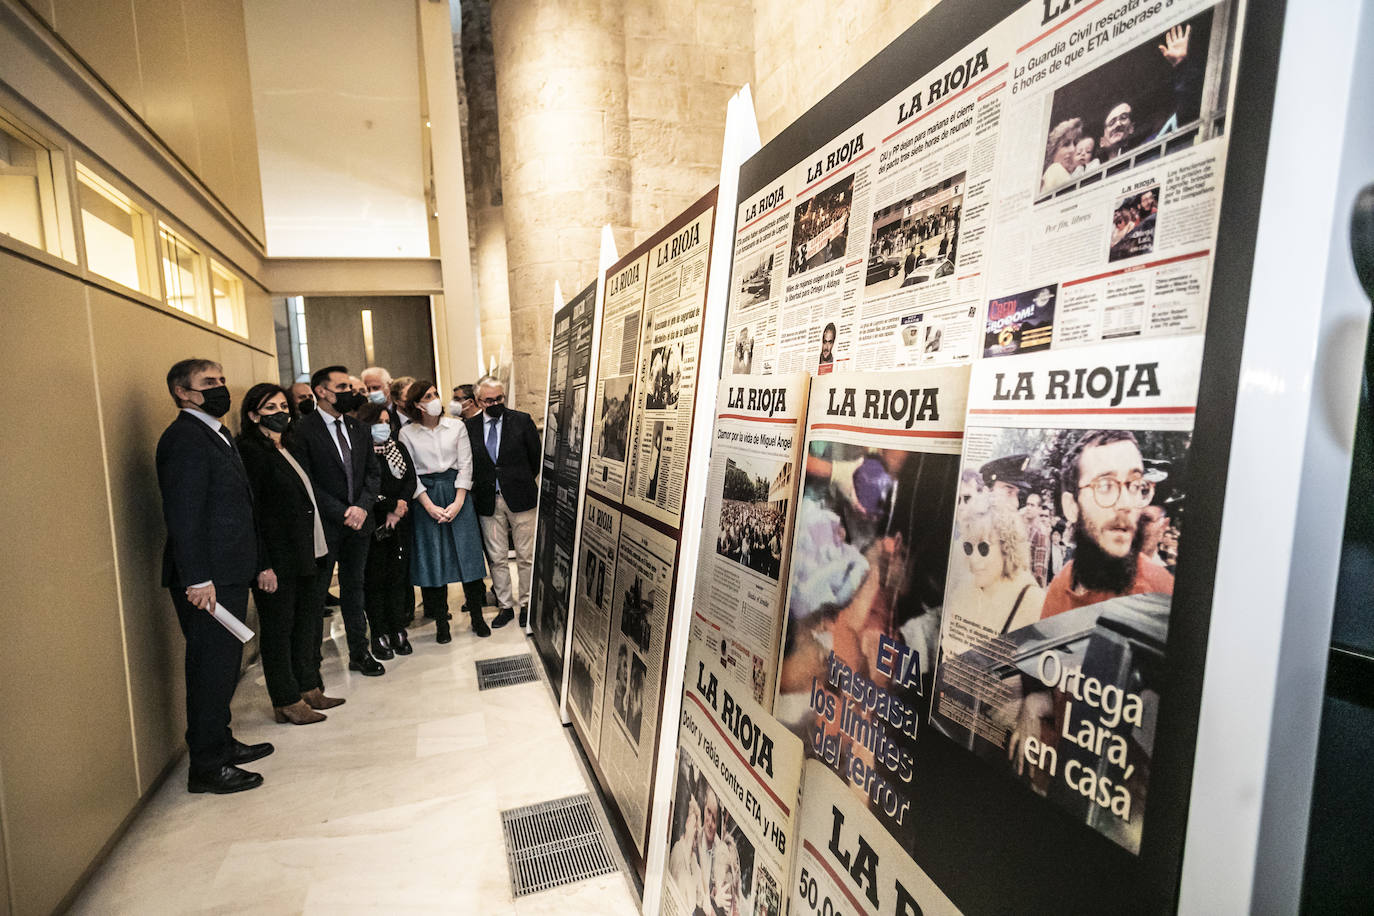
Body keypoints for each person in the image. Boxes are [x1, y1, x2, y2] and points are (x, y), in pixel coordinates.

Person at [156, 358, 273, 793]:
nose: (221, 388)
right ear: (183, 393)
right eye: (209, 383)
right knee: (210, 670)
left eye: (223, 380)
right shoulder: (184, 438)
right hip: (206, 580)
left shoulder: (214, 433)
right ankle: (207, 766)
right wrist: (198, 578)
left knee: (225, 669)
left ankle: (221, 743)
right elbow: (183, 515)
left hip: (228, 571)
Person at [236, 383, 341, 725]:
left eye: (284, 406)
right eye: (270, 408)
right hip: (278, 557)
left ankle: (308, 687)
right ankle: (285, 699)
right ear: (253, 415)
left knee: (305, 623)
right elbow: (253, 513)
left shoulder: (289, 446)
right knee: (279, 628)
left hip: (308, 550)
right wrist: (262, 563)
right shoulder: (251, 453)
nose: (281, 412)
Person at [288, 365, 386, 677]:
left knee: (355, 588)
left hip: (360, 523)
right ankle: (311, 664)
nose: (350, 393)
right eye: (342, 388)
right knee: (317, 595)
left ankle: (360, 651)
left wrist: (361, 507)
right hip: (326, 525)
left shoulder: (358, 428)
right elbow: (306, 482)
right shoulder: (302, 431)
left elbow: (373, 473)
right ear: (322, 392)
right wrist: (342, 511)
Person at [1040, 430, 1174, 618]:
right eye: (1105, 486)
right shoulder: (1061, 584)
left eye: (1135, 485)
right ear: (1072, 507)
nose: (1127, 504)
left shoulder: (1161, 593)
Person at [400, 379, 491, 639]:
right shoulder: (407, 433)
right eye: (428, 396)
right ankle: (441, 622)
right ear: (417, 405)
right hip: (425, 496)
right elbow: (410, 473)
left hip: (456, 492)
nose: (435, 399)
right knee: (433, 561)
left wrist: (459, 501)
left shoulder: (456, 426)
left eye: (435, 394)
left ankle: (477, 616)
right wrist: (427, 505)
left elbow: (466, 464)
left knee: (469, 557)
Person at [465, 375, 541, 629]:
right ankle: (505, 606)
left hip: (521, 497)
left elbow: (535, 459)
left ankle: (527, 604)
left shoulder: (521, 421)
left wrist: (517, 480)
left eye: (499, 398)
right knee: (497, 557)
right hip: (488, 499)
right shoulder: (469, 428)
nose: (496, 402)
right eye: (489, 400)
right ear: (478, 401)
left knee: (526, 555)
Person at [357, 400, 417, 659]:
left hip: (399, 523)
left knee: (396, 578)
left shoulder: (398, 448)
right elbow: (365, 489)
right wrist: (391, 506)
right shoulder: (359, 452)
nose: (383, 427)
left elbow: (410, 479)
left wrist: (400, 505)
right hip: (372, 523)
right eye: (376, 423)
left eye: (386, 422)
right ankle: (379, 632)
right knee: (375, 581)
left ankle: (398, 630)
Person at [948, 494, 1045, 637]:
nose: (973, 559)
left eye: (983, 548)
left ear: (1006, 547)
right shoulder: (963, 591)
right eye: (968, 547)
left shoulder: (1032, 601)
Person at [1040, 117, 1083, 195]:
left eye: (1075, 144)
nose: (1073, 149)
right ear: (1053, 152)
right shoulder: (1055, 169)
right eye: (1066, 144)